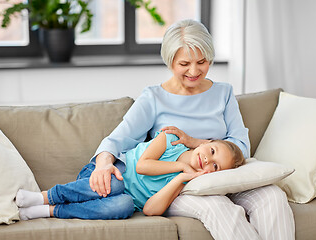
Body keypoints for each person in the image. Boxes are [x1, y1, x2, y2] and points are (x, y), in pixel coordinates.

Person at [89, 19, 295, 240]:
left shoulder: (223, 93)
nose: (194, 71)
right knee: (217, 206)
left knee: (273, 197)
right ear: (170, 62)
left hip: (225, 175)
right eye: (184, 64)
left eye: (202, 61)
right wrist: (103, 163)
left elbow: (242, 148)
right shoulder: (153, 98)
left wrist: (194, 142)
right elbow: (118, 139)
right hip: (182, 184)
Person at [16, 131, 244, 220]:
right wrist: (179, 168)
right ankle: (46, 197)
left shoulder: (187, 183)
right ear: (207, 142)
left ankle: (51, 211)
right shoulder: (169, 141)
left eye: (215, 167)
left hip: (120, 198)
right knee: (116, 185)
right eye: (212, 151)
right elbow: (143, 166)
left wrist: (179, 180)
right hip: (106, 176)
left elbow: (149, 210)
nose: (208, 160)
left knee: (125, 206)